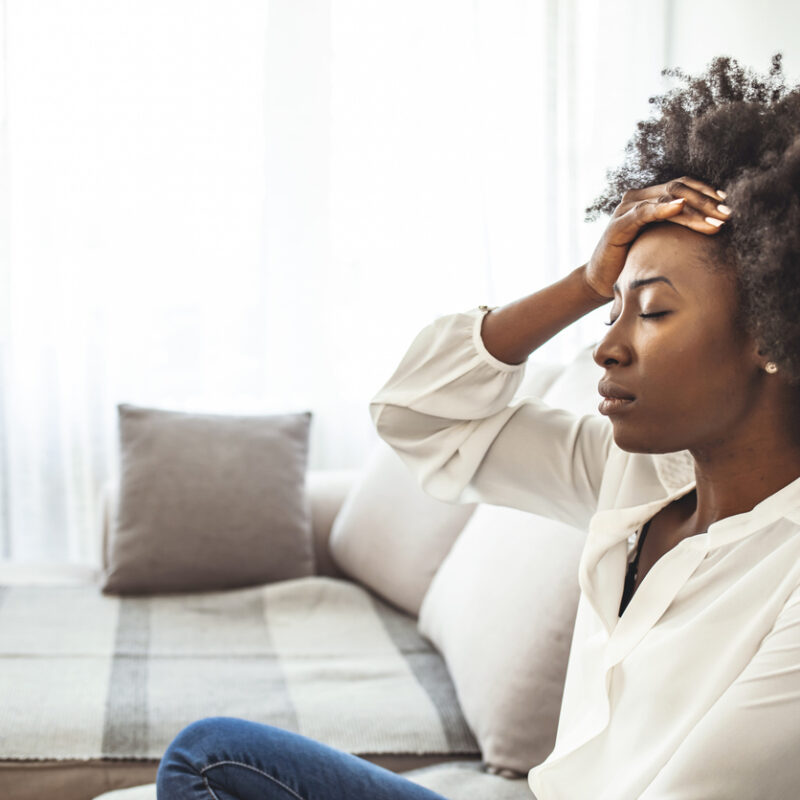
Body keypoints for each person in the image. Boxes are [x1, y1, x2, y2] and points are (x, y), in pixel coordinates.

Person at [157, 55, 800, 799]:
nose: (607, 343)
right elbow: (420, 414)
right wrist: (583, 282)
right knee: (213, 760)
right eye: (610, 308)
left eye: (650, 311)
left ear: (770, 334)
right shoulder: (636, 478)